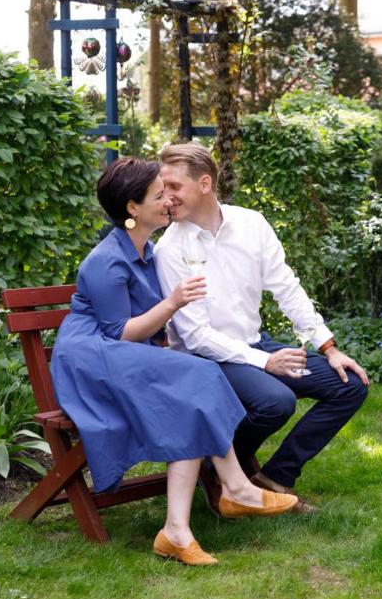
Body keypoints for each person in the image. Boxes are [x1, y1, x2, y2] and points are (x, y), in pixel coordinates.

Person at [51, 158, 301, 567]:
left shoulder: (145, 249)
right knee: (197, 372)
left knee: (189, 393)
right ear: (133, 208)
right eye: (157, 194)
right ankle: (235, 488)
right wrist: (173, 302)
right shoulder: (105, 261)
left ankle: (176, 531)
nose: (168, 199)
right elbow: (119, 334)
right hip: (93, 359)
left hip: (122, 356)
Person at [154, 143, 369, 512]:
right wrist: (264, 363)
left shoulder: (251, 224)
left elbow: (286, 286)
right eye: (163, 187)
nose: (166, 197)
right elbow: (196, 337)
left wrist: (329, 347)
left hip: (254, 345)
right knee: (276, 402)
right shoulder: (170, 248)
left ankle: (275, 476)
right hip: (205, 361)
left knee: (348, 385)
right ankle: (216, 470)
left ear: (205, 183)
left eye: (174, 187)